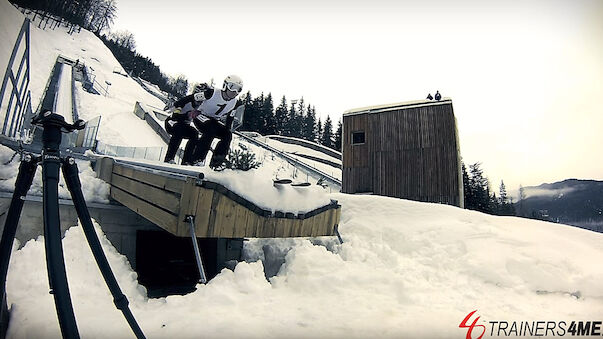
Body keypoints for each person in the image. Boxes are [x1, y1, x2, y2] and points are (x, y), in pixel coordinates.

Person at [190, 74, 244, 168]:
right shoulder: (213, 93)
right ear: (225, 86)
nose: (234, 92)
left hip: (213, 120)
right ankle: (197, 159)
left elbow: (230, 117)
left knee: (227, 135)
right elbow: (193, 97)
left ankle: (217, 163)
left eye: (238, 89)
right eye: (232, 88)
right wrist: (178, 105)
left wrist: (227, 130)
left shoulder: (235, 103)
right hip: (201, 115)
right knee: (210, 129)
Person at [163, 83, 207, 164]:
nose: (200, 103)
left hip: (185, 125)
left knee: (194, 134)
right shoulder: (186, 101)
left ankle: (187, 160)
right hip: (172, 122)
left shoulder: (201, 107)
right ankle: (169, 158)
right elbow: (175, 115)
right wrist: (186, 115)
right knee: (179, 130)